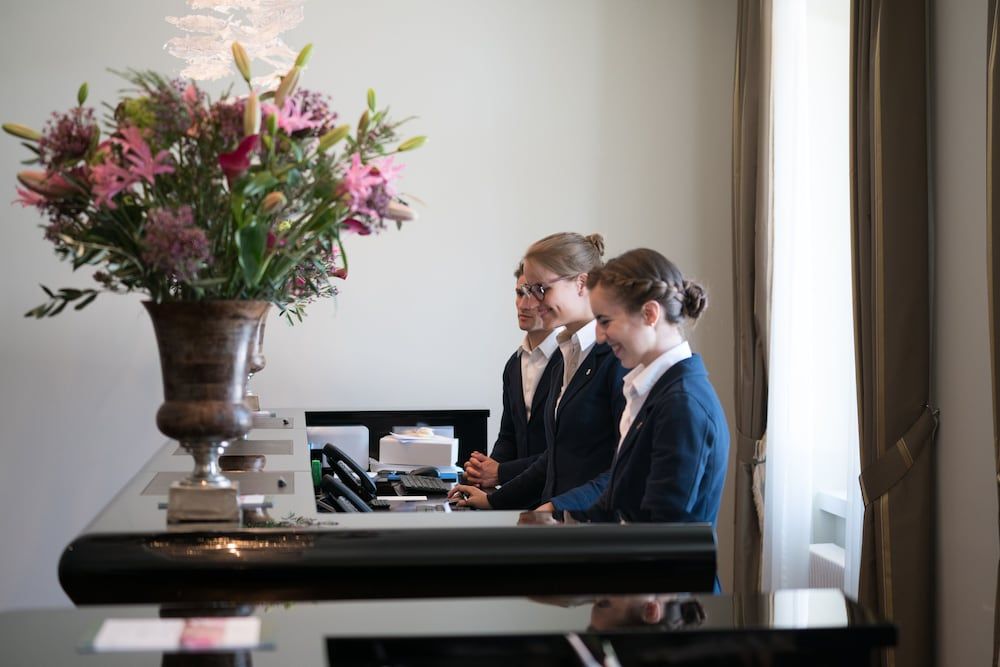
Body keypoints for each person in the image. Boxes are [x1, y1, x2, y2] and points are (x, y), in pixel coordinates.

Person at [538, 248, 729, 525]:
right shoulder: (653, 391)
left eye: (605, 321)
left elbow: (663, 529)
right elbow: (617, 502)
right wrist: (557, 516)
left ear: (650, 313)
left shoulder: (682, 404)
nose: (600, 337)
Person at [450, 232, 626, 509]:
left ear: (582, 283)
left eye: (541, 289)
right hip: (559, 520)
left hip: (591, 523)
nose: (531, 301)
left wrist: (556, 507)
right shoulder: (568, 355)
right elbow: (555, 458)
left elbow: (622, 467)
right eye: (526, 290)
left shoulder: (617, 357)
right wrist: (493, 500)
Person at [462, 264, 562, 489]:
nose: (524, 304)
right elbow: (508, 436)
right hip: (520, 492)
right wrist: (482, 471)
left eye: (535, 294)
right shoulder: (513, 364)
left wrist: (500, 472)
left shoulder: (569, 359)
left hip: (556, 494)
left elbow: (562, 453)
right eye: (519, 293)